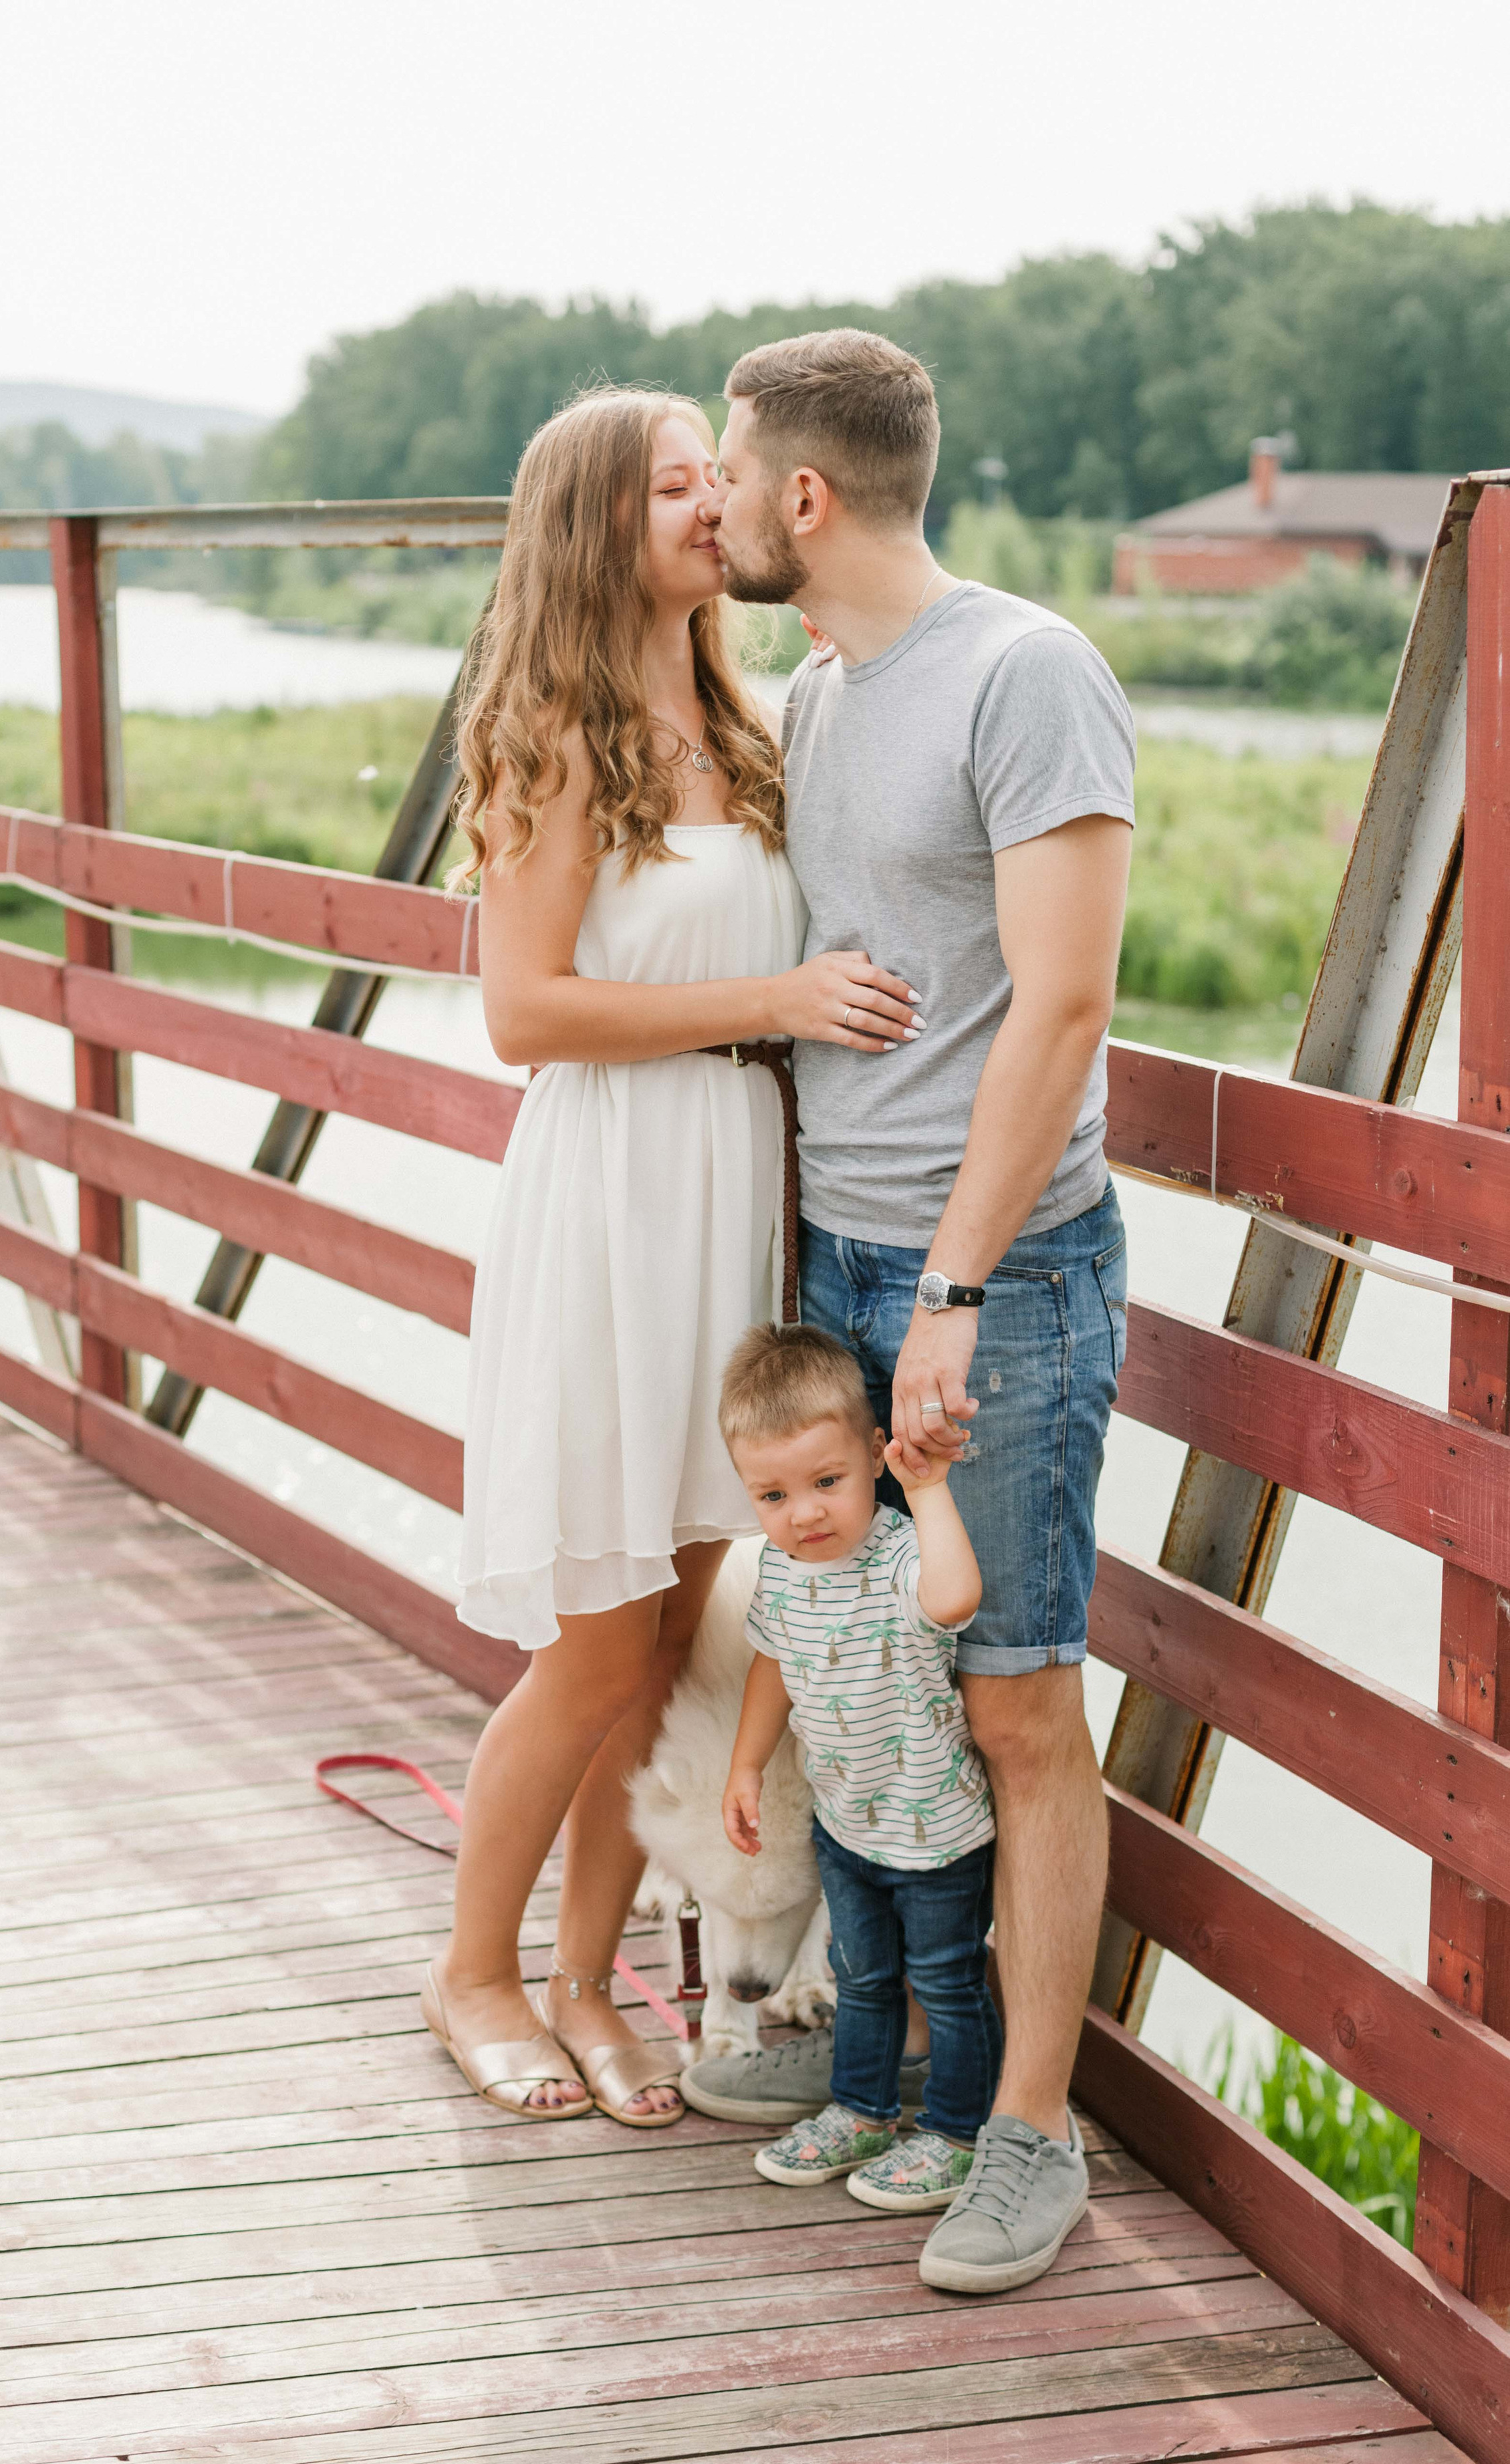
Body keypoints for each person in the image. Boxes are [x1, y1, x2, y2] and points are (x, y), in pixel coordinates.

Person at [424, 384, 923, 2126]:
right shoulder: (558, 731)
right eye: (671, 486)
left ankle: (584, 1977)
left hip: (727, 1191)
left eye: (716, 476)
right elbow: (522, 1010)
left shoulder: (752, 713)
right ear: (591, 530)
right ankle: (476, 1974)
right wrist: (775, 1001)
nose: (713, 503)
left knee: (659, 1637)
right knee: (594, 1643)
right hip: (615, 1199)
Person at [697, 329, 1134, 2289]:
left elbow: (1062, 1003)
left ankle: (1033, 2132)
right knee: (870, 1673)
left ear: (810, 494)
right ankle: (895, 2075)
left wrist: (955, 1282)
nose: (708, 497)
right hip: (843, 1263)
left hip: (1001, 1270)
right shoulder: (814, 688)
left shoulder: (1025, 671)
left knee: (1019, 1700)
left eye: (726, 466)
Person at [717, 1325, 1009, 2241]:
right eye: (774, 1494)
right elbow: (772, 1662)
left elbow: (956, 1599)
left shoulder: (894, 1554)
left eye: (826, 1482)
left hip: (936, 1833)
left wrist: (929, 1493)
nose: (804, 1513)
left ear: (869, 1462)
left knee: (949, 1984)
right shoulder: (782, 1569)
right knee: (864, 1977)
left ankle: (959, 2133)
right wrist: (746, 1763)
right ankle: (861, 2111)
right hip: (848, 1826)